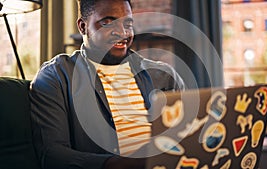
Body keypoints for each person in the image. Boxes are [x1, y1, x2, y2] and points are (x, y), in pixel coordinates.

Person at [30, 0, 185, 169]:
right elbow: (52, 155)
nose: (122, 33)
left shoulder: (165, 76)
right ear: (83, 27)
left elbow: (189, 138)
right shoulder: (56, 77)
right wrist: (124, 164)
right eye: (107, 23)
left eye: (128, 24)